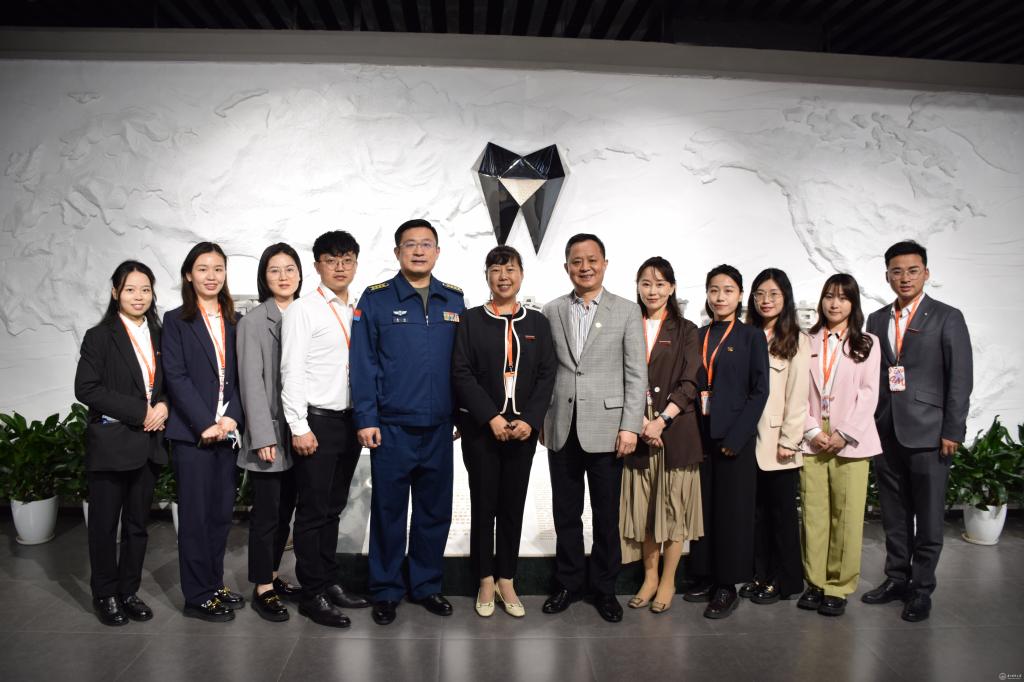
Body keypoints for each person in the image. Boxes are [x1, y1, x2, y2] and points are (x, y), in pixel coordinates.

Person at [350, 218, 466, 626]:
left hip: (439, 428)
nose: (419, 251)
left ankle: (426, 585)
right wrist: (366, 417)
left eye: (426, 244)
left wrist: (460, 414)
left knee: (434, 512)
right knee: (389, 511)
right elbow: (362, 362)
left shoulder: (454, 300)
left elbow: (462, 365)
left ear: (437, 251)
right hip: (392, 427)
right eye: (410, 244)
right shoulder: (377, 298)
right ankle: (385, 589)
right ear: (397, 252)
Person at [862, 240, 973, 622]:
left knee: (927, 517)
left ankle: (922, 589)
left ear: (926, 273)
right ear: (887, 276)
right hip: (887, 430)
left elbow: (960, 378)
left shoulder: (947, 317)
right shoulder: (876, 319)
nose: (904, 278)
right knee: (893, 515)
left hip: (930, 433)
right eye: (897, 271)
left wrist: (952, 430)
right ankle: (897, 578)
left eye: (912, 270)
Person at [540, 233, 647, 624]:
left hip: (608, 429)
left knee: (606, 515)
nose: (584, 267)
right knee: (565, 513)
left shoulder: (626, 311)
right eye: (576, 261)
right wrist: (542, 419)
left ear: (604, 264)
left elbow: (636, 373)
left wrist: (630, 426)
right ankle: (568, 583)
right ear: (566, 266)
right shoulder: (551, 310)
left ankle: (604, 588)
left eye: (591, 260)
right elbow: (545, 371)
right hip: (561, 426)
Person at [451, 245, 556, 618]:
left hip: (522, 431)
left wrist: (531, 419)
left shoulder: (537, 323)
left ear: (521, 274)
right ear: (486, 276)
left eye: (510, 269)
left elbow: (547, 373)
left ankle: (507, 578)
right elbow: (461, 372)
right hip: (482, 430)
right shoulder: (470, 320)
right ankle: (484, 579)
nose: (503, 276)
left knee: (513, 505)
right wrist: (490, 418)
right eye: (495, 270)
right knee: (484, 505)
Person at [280, 231, 372, 628]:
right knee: (313, 511)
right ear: (317, 265)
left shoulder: (358, 308)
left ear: (355, 264)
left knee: (334, 508)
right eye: (331, 260)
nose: (340, 267)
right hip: (317, 421)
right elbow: (291, 370)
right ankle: (311, 593)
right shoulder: (304, 309)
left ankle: (329, 581)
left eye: (347, 259)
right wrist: (299, 426)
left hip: (350, 421)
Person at [74, 261, 168, 626]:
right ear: (115, 293)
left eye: (145, 289)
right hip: (112, 445)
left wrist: (164, 405)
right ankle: (105, 594)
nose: (138, 296)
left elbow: (168, 384)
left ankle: (129, 591)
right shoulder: (100, 336)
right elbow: (87, 388)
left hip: (148, 445)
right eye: (130, 289)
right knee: (103, 526)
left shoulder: (160, 334)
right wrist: (141, 411)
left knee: (137, 525)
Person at [162, 242, 245, 622]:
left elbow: (245, 377)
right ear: (188, 274)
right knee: (195, 518)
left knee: (220, 515)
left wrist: (232, 419)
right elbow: (176, 377)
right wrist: (205, 423)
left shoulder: (236, 321)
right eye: (203, 268)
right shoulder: (176, 321)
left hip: (227, 433)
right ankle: (196, 597)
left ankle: (213, 584)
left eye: (218, 269)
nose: (211, 276)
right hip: (192, 436)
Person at [683, 264, 769, 619]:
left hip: (734, 439)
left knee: (732, 513)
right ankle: (705, 575)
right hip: (700, 436)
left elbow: (760, 391)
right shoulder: (699, 334)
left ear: (740, 295)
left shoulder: (751, 337)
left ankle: (727, 585)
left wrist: (738, 436)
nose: (720, 297)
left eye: (728, 290)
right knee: (703, 510)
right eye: (714, 290)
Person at [620, 257, 704, 615]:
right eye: (645, 283)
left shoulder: (686, 330)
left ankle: (669, 580)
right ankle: (650, 578)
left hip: (676, 433)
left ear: (671, 288)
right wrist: (640, 420)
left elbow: (690, 381)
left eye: (659, 284)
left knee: (674, 510)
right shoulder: (628, 324)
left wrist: (661, 421)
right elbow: (617, 374)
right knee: (644, 511)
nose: (652, 291)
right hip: (637, 431)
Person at [799, 274, 882, 617]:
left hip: (851, 438)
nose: (835, 304)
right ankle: (815, 582)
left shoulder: (868, 342)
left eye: (843, 298)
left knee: (846, 515)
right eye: (829, 296)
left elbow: (869, 394)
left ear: (853, 303)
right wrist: (810, 430)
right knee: (814, 514)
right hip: (813, 437)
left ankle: (838, 586)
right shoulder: (805, 340)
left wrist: (844, 433)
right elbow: (796, 391)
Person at [237, 243, 304, 622]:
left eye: (290, 268)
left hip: (301, 432)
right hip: (272, 435)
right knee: (267, 515)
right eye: (275, 270)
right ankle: (262, 586)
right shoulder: (252, 322)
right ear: (264, 277)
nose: (283, 276)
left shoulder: (305, 313)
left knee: (287, 511)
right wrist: (263, 437)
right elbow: (251, 382)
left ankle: (275, 574)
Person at [742, 268, 809, 604]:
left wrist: (789, 440)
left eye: (773, 294)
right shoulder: (746, 334)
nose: (765, 301)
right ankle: (760, 574)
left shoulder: (796, 339)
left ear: (785, 298)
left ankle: (784, 581)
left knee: (781, 516)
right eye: (759, 294)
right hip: (746, 441)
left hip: (777, 444)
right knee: (755, 515)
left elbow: (798, 396)